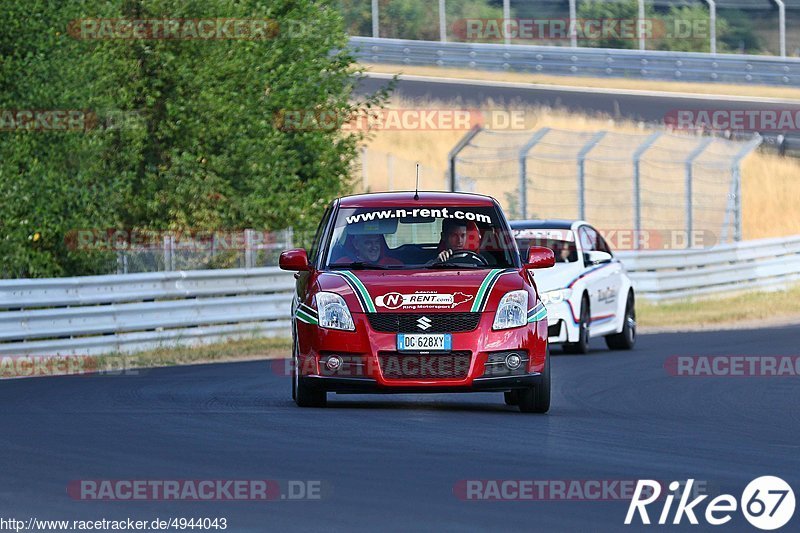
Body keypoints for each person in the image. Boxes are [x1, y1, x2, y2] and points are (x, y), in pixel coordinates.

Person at [335, 234, 402, 266]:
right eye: (368, 243)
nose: (374, 247)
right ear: (356, 244)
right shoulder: (342, 264)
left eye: (377, 242)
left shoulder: (394, 264)